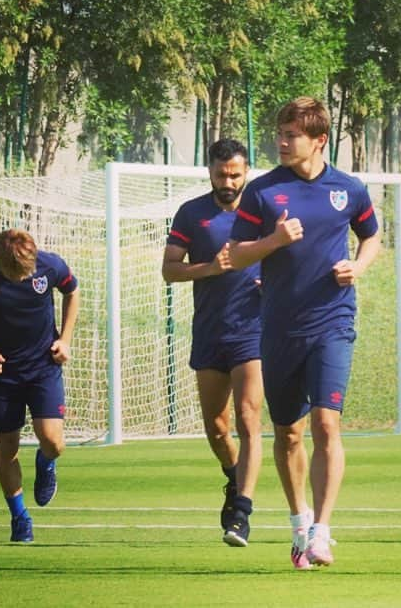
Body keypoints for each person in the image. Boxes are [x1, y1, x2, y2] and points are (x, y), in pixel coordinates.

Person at [229, 96, 381, 569]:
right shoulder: (262, 191)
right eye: (280, 132)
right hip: (277, 328)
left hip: (333, 322)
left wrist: (357, 265)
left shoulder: (349, 189)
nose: (281, 141)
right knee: (289, 433)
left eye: (291, 134)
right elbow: (234, 254)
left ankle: (322, 532)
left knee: (326, 423)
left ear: (319, 140)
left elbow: (372, 234)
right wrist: (274, 241)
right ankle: (299, 525)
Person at [162, 138, 264, 547]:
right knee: (217, 427)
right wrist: (210, 267)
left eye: (236, 174)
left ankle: (241, 511)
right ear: (210, 172)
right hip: (209, 332)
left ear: (246, 172)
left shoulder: (263, 212)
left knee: (248, 416)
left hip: (253, 330)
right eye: (222, 174)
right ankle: (233, 477)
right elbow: (170, 270)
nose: (228, 181)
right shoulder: (191, 214)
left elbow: (288, 254)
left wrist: (272, 280)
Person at [0, 228, 79, 543]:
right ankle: (20, 517)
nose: (19, 279)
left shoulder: (50, 265)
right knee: (6, 448)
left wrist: (64, 340)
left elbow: (72, 291)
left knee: (53, 442)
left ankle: (45, 462)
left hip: (44, 367)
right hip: (4, 373)